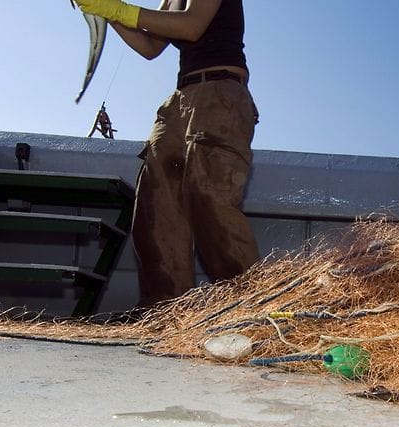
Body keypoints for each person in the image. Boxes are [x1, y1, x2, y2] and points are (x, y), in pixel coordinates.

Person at [75, 0, 260, 307]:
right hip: (179, 100)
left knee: (209, 200)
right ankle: (164, 313)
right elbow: (149, 47)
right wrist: (107, 10)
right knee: (155, 206)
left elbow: (190, 26)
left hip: (220, 95)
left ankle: (247, 309)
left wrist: (118, 9)